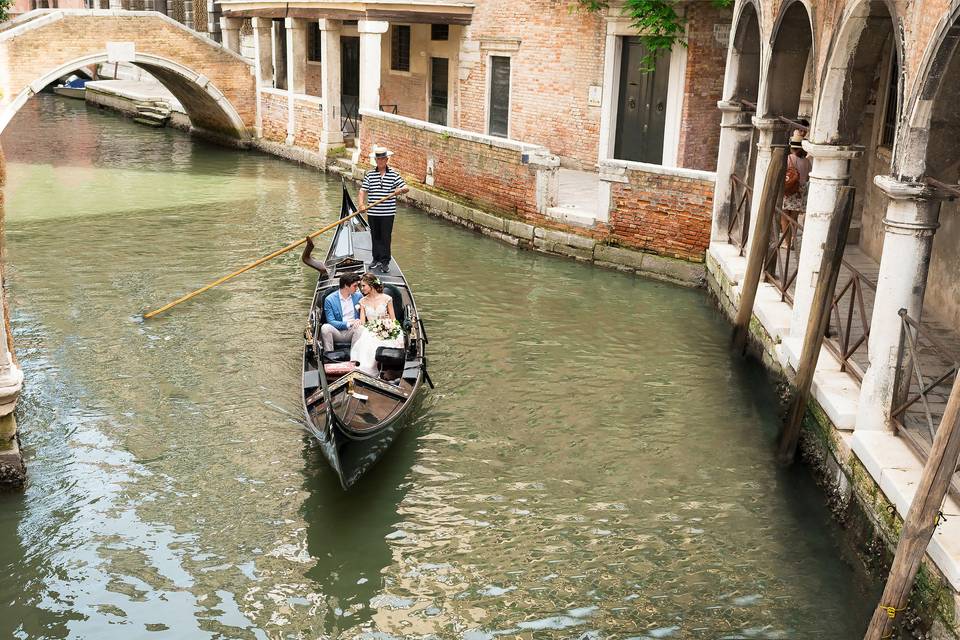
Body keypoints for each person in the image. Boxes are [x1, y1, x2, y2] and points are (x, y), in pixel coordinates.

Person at [359, 145, 408, 275]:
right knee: (375, 236)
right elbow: (362, 191)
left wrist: (400, 190)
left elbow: (406, 187)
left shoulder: (394, 175)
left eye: (382, 159)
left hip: (387, 213)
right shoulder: (370, 175)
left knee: (386, 238)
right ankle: (376, 259)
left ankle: (385, 262)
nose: (380, 161)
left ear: (386, 160)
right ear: (376, 161)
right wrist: (361, 205)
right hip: (373, 212)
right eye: (378, 159)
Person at [350, 272, 404, 376]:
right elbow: (363, 322)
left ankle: (388, 368)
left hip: (386, 326)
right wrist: (357, 321)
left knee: (392, 335)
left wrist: (388, 324)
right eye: (361, 286)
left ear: (371, 285)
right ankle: (368, 370)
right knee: (367, 336)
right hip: (371, 329)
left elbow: (393, 319)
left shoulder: (387, 298)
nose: (362, 289)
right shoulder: (362, 301)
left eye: (363, 286)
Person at [782, 130, 812, 246]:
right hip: (800, 190)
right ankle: (793, 240)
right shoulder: (806, 161)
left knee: (784, 216)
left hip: (789, 189)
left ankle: (787, 242)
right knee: (794, 217)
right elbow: (809, 176)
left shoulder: (789, 158)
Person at [320, 273, 363, 352]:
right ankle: (329, 356)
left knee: (360, 328)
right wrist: (349, 323)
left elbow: (363, 314)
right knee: (325, 328)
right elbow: (331, 321)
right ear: (346, 285)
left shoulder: (358, 296)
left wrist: (359, 320)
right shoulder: (329, 299)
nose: (357, 288)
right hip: (337, 332)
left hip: (353, 331)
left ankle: (355, 357)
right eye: (355, 286)